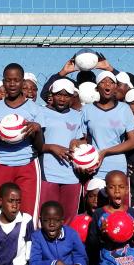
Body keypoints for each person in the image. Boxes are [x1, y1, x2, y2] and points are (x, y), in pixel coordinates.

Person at [0, 63, 44, 220]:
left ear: (23, 82)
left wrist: (36, 129)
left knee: (28, 215)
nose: (12, 84)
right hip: (0, 164)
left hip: (27, 165)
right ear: (3, 82)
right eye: (8, 80)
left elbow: (40, 146)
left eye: (16, 80)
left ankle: (27, 244)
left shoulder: (35, 110)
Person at [29, 201, 101, 265]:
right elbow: (34, 264)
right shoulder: (37, 236)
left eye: (56, 220)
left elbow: (81, 256)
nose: (51, 224)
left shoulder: (72, 234)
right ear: (40, 220)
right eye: (46, 220)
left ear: (62, 221)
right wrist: (56, 264)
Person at [77, 71, 134, 181]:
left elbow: (133, 142)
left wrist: (105, 152)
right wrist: (80, 154)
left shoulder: (124, 109)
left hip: (117, 166)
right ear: (97, 88)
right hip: (93, 166)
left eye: (111, 82)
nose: (107, 84)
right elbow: (83, 139)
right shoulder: (87, 110)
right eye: (103, 82)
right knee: (94, 198)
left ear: (115, 87)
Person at [40, 79, 84, 222]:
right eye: (59, 94)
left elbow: (84, 140)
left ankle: (66, 244)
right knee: (47, 216)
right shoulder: (41, 113)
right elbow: (35, 145)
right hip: (48, 174)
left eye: (66, 96)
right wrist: (52, 147)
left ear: (72, 98)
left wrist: (78, 142)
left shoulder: (77, 116)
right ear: (52, 95)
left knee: (68, 218)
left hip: (72, 175)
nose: (62, 99)